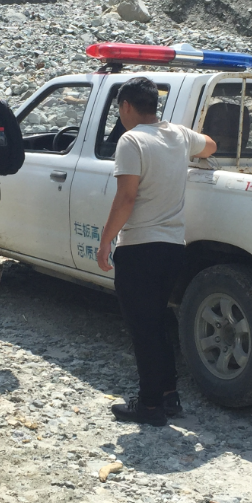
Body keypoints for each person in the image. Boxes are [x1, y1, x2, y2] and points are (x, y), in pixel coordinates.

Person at [97, 77, 217, 426]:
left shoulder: (131, 140)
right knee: (159, 322)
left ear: (126, 106)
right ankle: (168, 395)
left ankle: (149, 406)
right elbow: (210, 145)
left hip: (139, 247)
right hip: (173, 247)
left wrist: (106, 241)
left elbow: (126, 197)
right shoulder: (178, 135)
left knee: (143, 329)